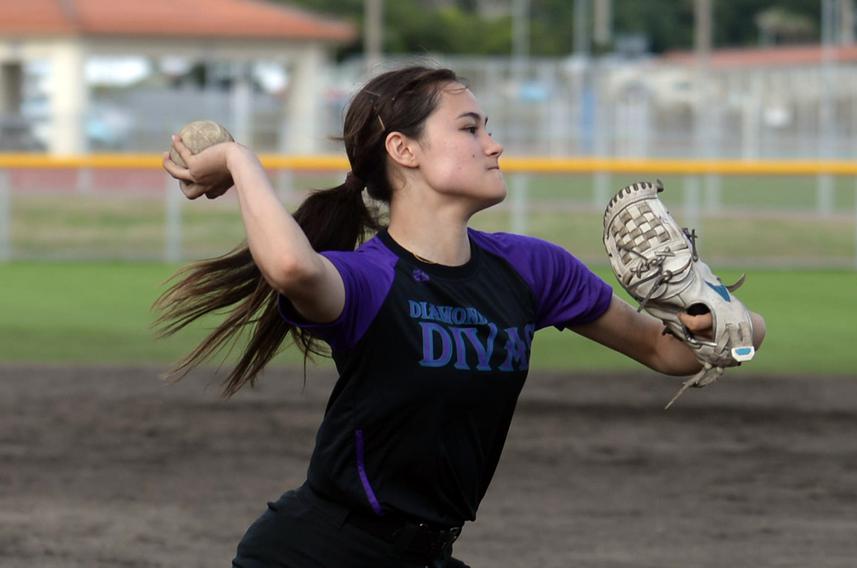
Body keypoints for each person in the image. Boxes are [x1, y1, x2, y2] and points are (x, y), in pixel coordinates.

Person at [158, 65, 765, 568]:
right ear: (404, 150)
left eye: (488, 129)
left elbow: (677, 356)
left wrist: (721, 317)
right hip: (318, 554)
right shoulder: (367, 279)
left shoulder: (531, 269)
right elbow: (291, 268)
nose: (494, 144)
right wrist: (240, 161)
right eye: (470, 128)